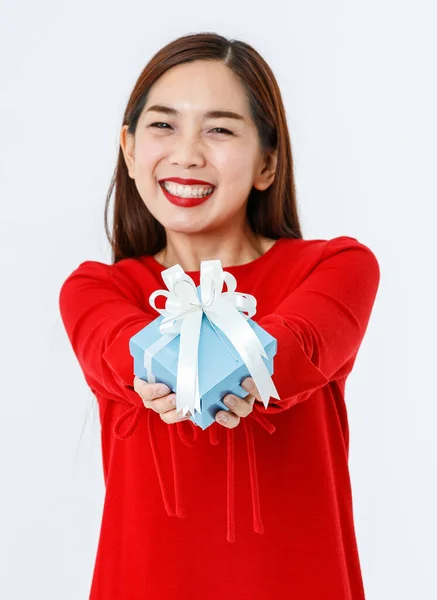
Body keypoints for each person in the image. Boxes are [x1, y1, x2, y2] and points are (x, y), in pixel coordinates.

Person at [59, 32, 380, 600]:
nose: (187, 153)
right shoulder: (96, 289)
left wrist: (184, 360)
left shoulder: (336, 267)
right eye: (163, 126)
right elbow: (120, 349)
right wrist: (205, 361)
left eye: (220, 129)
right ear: (129, 150)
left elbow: (294, 347)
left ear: (267, 163)